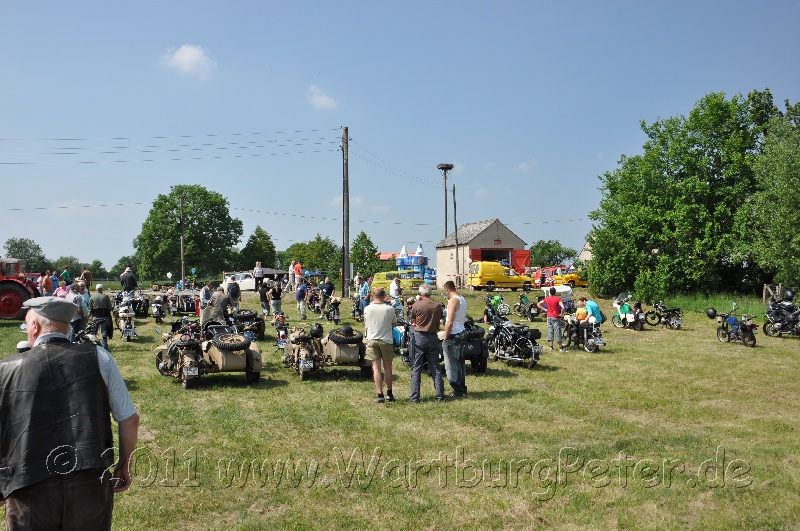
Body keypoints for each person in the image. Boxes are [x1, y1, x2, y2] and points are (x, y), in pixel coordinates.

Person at [0, 297, 139, 529]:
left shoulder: (5, 369)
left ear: (35, 326)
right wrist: (124, 464)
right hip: (90, 483)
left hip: (26, 487)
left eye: (27, 325)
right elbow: (129, 419)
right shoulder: (100, 357)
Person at [408, 284, 445, 403]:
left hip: (419, 336)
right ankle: (440, 395)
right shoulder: (437, 305)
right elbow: (440, 319)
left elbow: (413, 320)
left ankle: (414, 397)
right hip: (433, 336)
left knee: (417, 367)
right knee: (435, 367)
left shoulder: (416, 305)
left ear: (420, 293)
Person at [364, 287, 397, 403]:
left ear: (372, 297)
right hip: (386, 340)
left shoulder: (367, 309)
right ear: (384, 297)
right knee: (388, 368)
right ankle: (389, 393)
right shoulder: (390, 309)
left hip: (372, 340)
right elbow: (393, 325)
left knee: (376, 368)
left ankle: (380, 395)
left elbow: (366, 324)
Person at [442, 280, 468, 398]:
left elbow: (450, 321)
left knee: (452, 364)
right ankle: (462, 387)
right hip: (462, 331)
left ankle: (457, 389)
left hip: (454, 334)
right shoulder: (462, 299)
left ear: (447, 290)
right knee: (460, 362)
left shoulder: (453, 300)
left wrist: (445, 336)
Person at [537, 286, 565, 352]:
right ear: (555, 292)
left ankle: (551, 347)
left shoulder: (547, 299)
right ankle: (561, 347)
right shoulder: (558, 299)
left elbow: (538, 304)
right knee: (557, 331)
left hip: (548, 316)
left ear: (550, 293)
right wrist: (561, 314)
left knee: (550, 331)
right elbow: (563, 307)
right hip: (555, 316)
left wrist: (545, 310)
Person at [88, 284, 115, 351]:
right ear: (102, 289)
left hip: (95, 316)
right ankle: (105, 347)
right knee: (104, 332)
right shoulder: (105, 297)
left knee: (94, 332)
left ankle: (93, 347)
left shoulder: (92, 297)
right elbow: (110, 307)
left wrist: (88, 317)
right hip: (104, 316)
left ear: (96, 289)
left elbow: (90, 308)